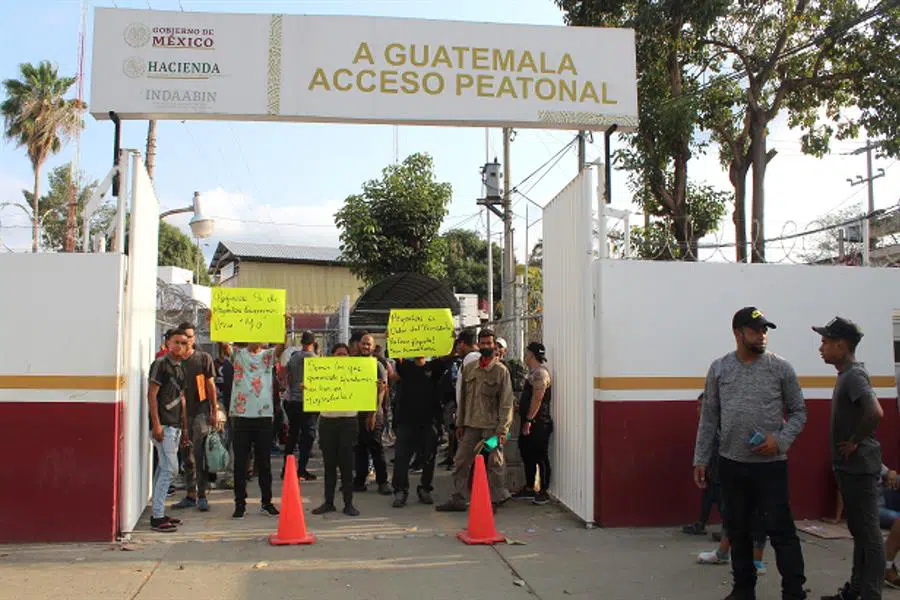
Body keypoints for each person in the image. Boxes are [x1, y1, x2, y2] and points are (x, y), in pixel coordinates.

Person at [693, 307, 807, 600]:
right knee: (738, 530)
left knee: (782, 533)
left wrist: (779, 441)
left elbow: (798, 413)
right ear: (738, 333)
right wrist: (701, 458)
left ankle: (793, 593)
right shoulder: (719, 369)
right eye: (756, 330)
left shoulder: (781, 368)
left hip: (770, 467)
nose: (762, 335)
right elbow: (709, 417)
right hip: (732, 465)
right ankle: (743, 590)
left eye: (765, 330)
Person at [815, 317, 884, 600]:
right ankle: (855, 591)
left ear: (841, 345)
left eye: (825, 342)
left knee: (869, 537)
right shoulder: (847, 375)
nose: (821, 348)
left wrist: (854, 441)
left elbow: (876, 412)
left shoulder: (854, 376)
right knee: (860, 533)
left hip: (859, 468)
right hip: (851, 468)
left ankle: (870, 594)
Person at [437, 328, 514, 512]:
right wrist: (460, 423)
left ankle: (495, 500)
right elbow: (463, 398)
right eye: (483, 343)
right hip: (471, 426)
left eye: (490, 343)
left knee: (494, 464)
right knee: (461, 462)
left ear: (494, 346)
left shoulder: (501, 372)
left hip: (492, 429)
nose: (486, 346)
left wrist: (502, 430)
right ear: (478, 345)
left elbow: (506, 403)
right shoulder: (470, 368)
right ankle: (459, 498)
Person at [230, 341, 284, 519]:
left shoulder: (268, 355)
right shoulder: (238, 354)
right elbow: (223, 343)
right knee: (240, 463)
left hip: (263, 416)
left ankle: (266, 502)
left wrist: (283, 325)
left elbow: (281, 347)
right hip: (241, 416)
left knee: (264, 463)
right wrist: (214, 322)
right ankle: (240, 504)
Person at [171, 322, 219, 513]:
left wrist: (214, 410)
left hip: (200, 412)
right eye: (184, 338)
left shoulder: (203, 358)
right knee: (186, 455)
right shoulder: (174, 361)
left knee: (199, 455)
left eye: (190, 337)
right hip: (179, 415)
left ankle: (202, 495)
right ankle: (190, 494)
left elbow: (210, 386)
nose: (188, 341)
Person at [147, 328, 190, 532]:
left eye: (183, 342)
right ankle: (157, 516)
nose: (180, 346)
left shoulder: (180, 367)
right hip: (163, 427)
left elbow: (181, 400)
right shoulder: (160, 365)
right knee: (170, 470)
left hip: (175, 427)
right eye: (176, 342)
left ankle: (158, 512)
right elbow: (152, 395)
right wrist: (156, 424)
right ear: (167, 343)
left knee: (164, 469)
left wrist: (184, 429)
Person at [312, 343, 361, 516]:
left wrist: (377, 387)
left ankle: (348, 503)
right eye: (338, 354)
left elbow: (366, 391)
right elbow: (313, 394)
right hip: (328, 422)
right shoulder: (324, 372)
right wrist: (308, 389)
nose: (341, 357)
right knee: (329, 465)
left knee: (347, 466)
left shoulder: (357, 372)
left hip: (348, 422)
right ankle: (329, 502)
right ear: (332, 356)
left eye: (344, 354)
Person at [390, 356, 441, 507]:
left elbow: (448, 356)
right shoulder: (405, 366)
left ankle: (425, 488)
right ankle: (400, 490)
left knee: (428, 457)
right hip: (406, 420)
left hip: (429, 420)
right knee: (401, 458)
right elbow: (396, 354)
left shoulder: (434, 367)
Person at [513, 342, 554, 505]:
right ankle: (530, 487)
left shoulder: (540, 374)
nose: (525, 356)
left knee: (540, 455)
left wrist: (529, 420)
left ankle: (543, 491)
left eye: (527, 353)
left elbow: (538, 398)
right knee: (526, 452)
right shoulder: (532, 373)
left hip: (538, 423)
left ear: (531, 355)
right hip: (529, 420)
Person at [353, 334, 393, 495]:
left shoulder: (378, 365)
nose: (365, 347)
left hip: (375, 413)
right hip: (357, 413)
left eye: (368, 344)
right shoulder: (353, 363)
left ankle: (382, 482)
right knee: (360, 448)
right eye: (363, 344)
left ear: (373, 346)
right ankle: (360, 480)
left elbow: (382, 390)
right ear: (358, 344)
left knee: (376, 447)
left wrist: (373, 413)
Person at [284, 330, 319, 481]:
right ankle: (301, 469)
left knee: (292, 435)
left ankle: (286, 469)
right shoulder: (315, 359)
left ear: (301, 342)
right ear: (313, 343)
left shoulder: (293, 358)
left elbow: (288, 376)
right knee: (308, 436)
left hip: (293, 400)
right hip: (308, 402)